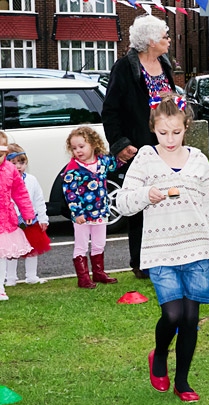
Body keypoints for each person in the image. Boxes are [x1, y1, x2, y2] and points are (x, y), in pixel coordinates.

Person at [117, 92, 209, 402]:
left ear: (186, 126)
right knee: (173, 314)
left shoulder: (199, 160)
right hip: (161, 249)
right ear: (154, 128)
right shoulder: (145, 159)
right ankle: (160, 354)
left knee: (191, 318)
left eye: (176, 132)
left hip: (198, 247)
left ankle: (182, 381)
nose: (170, 138)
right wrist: (145, 194)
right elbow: (123, 202)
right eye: (163, 132)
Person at [103, 14, 175, 279]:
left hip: (167, 146)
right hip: (138, 148)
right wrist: (120, 143)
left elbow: (170, 104)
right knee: (141, 204)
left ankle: (168, 256)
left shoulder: (165, 64)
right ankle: (141, 262)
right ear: (150, 41)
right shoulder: (124, 68)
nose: (168, 40)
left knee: (169, 199)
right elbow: (110, 111)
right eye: (165, 36)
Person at [62, 127, 120, 289]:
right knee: (81, 245)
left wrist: (124, 155)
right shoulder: (73, 169)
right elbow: (69, 192)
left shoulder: (102, 161)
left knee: (99, 243)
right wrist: (77, 212)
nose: (78, 151)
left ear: (93, 144)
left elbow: (114, 165)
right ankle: (83, 278)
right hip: (82, 215)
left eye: (81, 146)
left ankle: (99, 272)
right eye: (74, 148)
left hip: (100, 212)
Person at [5, 143, 50, 286]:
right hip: (11, 222)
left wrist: (43, 218)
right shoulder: (5, 181)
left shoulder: (31, 180)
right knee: (11, 252)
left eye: (21, 162)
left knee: (33, 249)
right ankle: (10, 278)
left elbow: (39, 200)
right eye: (14, 163)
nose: (18, 166)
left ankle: (31, 276)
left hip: (30, 220)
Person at [0, 132, 35, 301]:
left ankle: (0, 287)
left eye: (3, 154)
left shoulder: (10, 170)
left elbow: (20, 193)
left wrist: (28, 212)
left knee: (1, 256)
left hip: (5, 220)